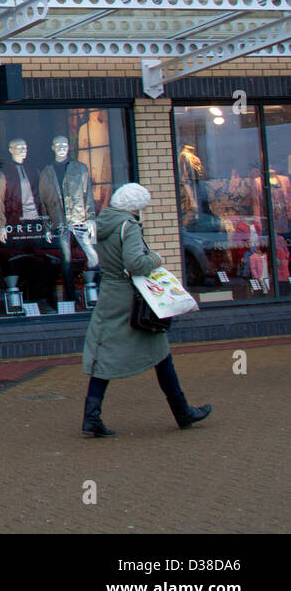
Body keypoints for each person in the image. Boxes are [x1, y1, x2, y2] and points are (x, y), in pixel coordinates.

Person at [81, 182, 212, 437]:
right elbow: (136, 263)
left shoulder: (103, 222)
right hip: (131, 299)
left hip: (109, 294)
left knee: (104, 353)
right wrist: (157, 258)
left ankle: (91, 416)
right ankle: (182, 411)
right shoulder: (128, 226)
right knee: (161, 352)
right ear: (136, 207)